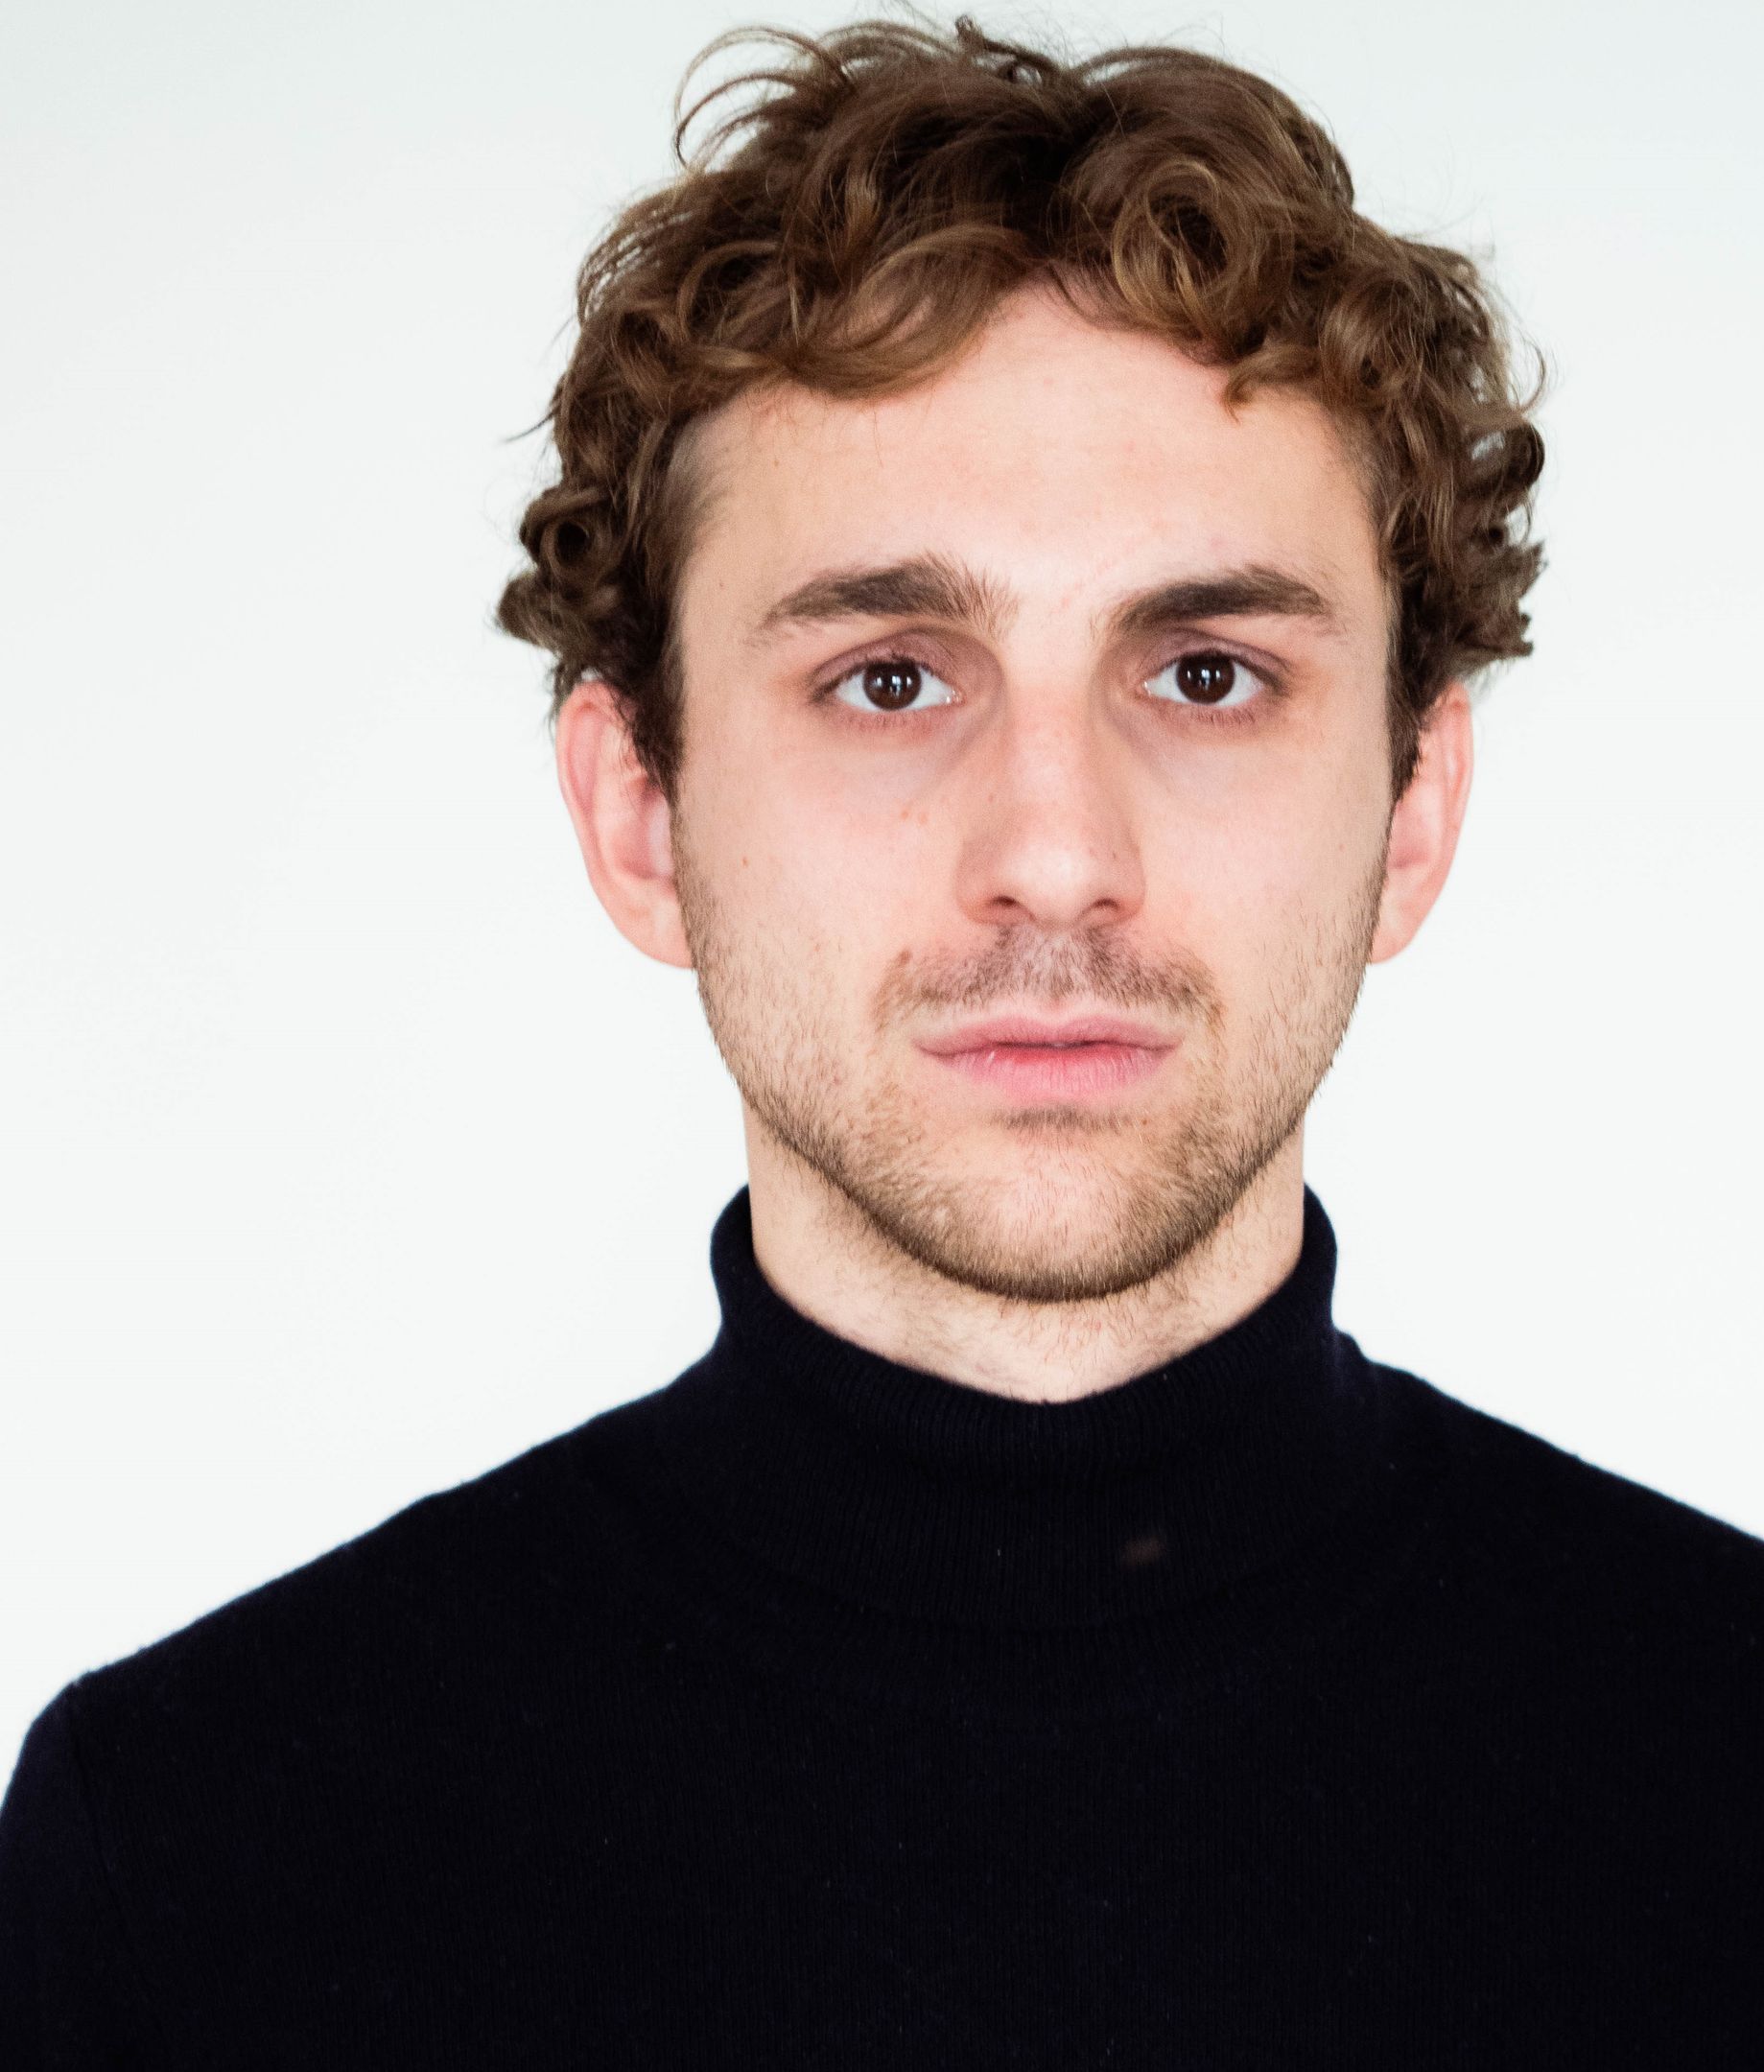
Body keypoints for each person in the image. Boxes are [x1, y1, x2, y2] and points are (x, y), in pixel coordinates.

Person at [3, 13, 1760, 2063]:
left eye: (1204, 673)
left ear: (1414, 811)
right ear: (640, 816)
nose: (1054, 854)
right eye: (890, 679)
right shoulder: (194, 1857)